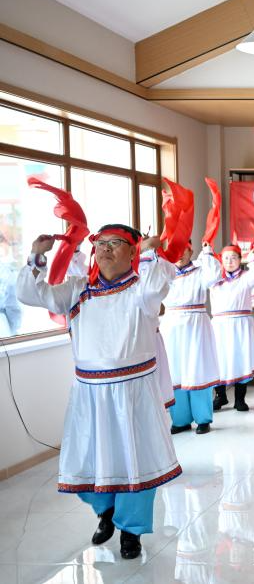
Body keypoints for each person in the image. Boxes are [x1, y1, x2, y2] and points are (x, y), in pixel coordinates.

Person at [17, 225, 181, 559]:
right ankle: (106, 511)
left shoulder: (141, 289)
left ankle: (131, 532)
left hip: (133, 393)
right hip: (89, 394)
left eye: (115, 243)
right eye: (101, 243)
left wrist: (151, 251)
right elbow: (31, 294)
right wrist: (36, 256)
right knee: (89, 457)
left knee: (136, 460)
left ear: (132, 252)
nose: (105, 249)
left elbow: (157, 284)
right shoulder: (78, 289)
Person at [160, 241, 222, 434]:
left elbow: (214, 276)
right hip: (171, 324)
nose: (179, 254)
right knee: (175, 371)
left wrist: (208, 252)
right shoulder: (165, 272)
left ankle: (203, 418)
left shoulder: (200, 270)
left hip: (196, 325)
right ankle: (180, 420)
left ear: (190, 250)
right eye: (174, 250)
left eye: (183, 249)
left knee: (198, 370)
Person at [209, 244, 254, 412]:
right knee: (219, 360)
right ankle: (220, 396)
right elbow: (205, 269)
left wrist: (253, 257)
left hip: (241, 324)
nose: (229, 261)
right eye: (226, 258)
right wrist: (207, 253)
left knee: (242, 359)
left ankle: (240, 399)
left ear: (240, 260)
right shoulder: (214, 278)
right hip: (220, 325)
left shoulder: (246, 277)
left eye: (234, 258)